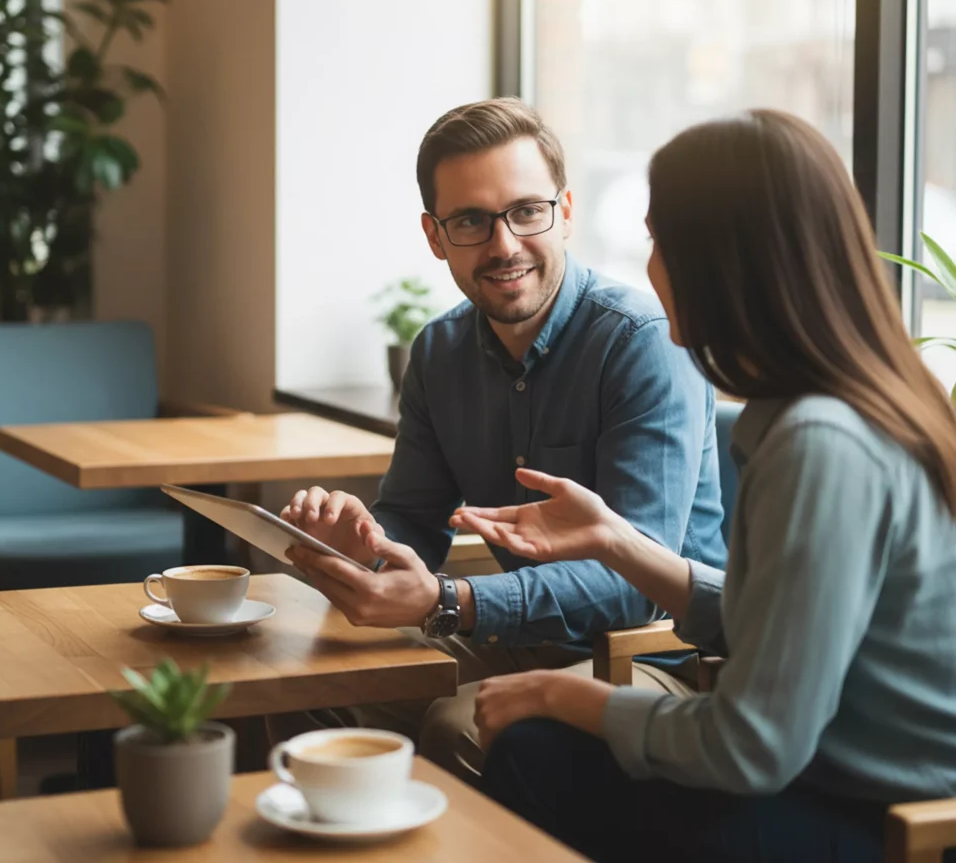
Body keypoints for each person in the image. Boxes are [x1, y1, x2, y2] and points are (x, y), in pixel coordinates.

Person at [451, 109, 956, 862]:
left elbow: (753, 746)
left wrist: (566, 694)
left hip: (880, 819)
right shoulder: (825, 411)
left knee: (534, 751)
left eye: (661, 240)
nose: (651, 267)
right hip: (831, 781)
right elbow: (775, 628)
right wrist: (615, 541)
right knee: (538, 753)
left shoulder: (821, 446)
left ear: (723, 264)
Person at [276, 97, 726, 782]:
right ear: (435, 235)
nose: (504, 244)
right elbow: (412, 522)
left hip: (649, 657)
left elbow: (641, 585)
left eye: (525, 212)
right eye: (471, 222)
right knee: (308, 687)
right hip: (510, 635)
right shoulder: (439, 352)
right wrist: (364, 546)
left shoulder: (640, 344)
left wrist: (455, 604)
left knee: (457, 728)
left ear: (566, 211)